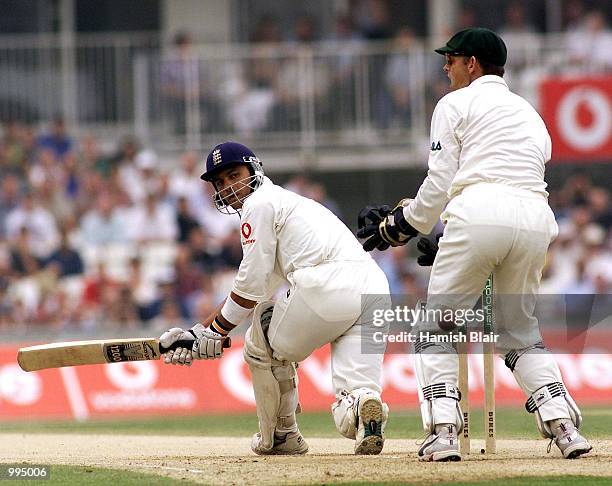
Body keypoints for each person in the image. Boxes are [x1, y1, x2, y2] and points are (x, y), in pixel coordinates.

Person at [357, 28, 592, 461]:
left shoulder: (454, 103)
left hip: (479, 213)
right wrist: (449, 237)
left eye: (452, 58)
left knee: (435, 326)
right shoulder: (530, 112)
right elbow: (512, 172)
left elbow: (443, 180)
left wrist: (404, 225)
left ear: (473, 63)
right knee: (518, 332)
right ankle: (564, 429)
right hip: (536, 219)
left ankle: (444, 433)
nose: (445, 66)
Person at [159, 141, 391, 456]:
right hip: (375, 288)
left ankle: (282, 436)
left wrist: (215, 333)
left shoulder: (258, 205)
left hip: (325, 286)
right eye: (220, 183)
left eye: (233, 175)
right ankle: (365, 408)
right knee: (352, 402)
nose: (228, 187)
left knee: (261, 338)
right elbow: (256, 288)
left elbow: (251, 286)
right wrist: (199, 331)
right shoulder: (288, 203)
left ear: (253, 170)